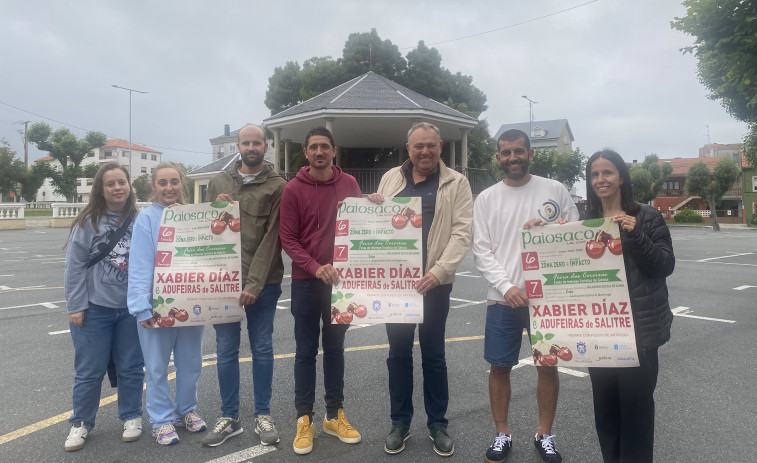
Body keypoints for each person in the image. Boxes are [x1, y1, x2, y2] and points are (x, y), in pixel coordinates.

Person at [472, 129, 579, 463]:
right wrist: (507, 287)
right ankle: (502, 433)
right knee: (500, 367)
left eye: (519, 151)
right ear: (498, 157)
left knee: (547, 367)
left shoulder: (554, 189)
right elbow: (481, 251)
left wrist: (557, 229)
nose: (513, 158)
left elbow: (576, 237)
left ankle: (544, 434)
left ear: (531, 154)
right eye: (506, 152)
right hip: (503, 300)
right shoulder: (487, 198)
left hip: (546, 301)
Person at [367, 121, 473, 457]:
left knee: (434, 355)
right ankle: (400, 422)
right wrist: (371, 207)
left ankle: (438, 424)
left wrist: (439, 272)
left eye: (430, 145)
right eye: (418, 146)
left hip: (434, 285)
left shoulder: (457, 183)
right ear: (408, 148)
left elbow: (462, 234)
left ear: (440, 146)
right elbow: (378, 226)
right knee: (398, 356)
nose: (424, 152)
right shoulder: (390, 179)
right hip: (395, 286)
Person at [585, 149, 674, 463]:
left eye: (607, 172)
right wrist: (541, 231)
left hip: (640, 335)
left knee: (636, 415)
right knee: (606, 413)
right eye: (595, 174)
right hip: (600, 332)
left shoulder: (647, 216)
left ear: (620, 176)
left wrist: (636, 233)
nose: (601, 180)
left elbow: (665, 265)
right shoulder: (586, 221)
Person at [201, 124, 286, 447]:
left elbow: (273, 238)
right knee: (225, 350)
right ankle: (229, 416)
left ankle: (263, 414)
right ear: (238, 146)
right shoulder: (219, 181)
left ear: (265, 147)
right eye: (245, 142)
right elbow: (208, 232)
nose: (251, 147)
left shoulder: (279, 185)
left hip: (264, 282)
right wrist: (217, 209)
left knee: (262, 347)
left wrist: (254, 283)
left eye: (256, 143)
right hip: (224, 281)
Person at [279, 126, 363, 455]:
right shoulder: (293, 189)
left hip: (340, 287)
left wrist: (375, 204)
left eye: (324, 147)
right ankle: (304, 419)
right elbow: (289, 239)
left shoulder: (350, 184)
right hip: (305, 283)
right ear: (306, 153)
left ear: (334, 150)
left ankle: (334, 415)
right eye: (313, 147)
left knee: (335, 350)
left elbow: (361, 226)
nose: (319, 152)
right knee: (304, 353)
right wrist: (316, 267)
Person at [63, 162, 144, 451]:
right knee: (89, 369)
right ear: (101, 189)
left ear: (129, 186)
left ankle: (132, 416)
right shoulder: (89, 221)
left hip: (131, 308)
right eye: (110, 183)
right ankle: (81, 422)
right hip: (95, 307)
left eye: (122, 182)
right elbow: (74, 267)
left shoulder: (140, 219)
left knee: (132, 367)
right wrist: (76, 305)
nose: (117, 187)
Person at [127, 162, 207, 446]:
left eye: (174, 182)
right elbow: (139, 264)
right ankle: (161, 420)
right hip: (156, 305)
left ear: (182, 183)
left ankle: (185, 410)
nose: (169, 188)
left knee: (191, 363)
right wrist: (140, 306)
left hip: (191, 301)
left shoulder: (195, 216)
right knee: (157, 366)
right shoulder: (147, 218)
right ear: (154, 186)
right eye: (163, 183)